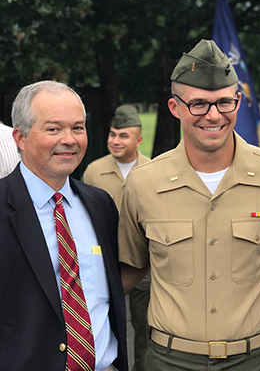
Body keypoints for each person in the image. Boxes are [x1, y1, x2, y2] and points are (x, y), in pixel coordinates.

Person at [118, 39, 260, 371]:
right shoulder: (144, 183)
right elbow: (129, 269)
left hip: (255, 360)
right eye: (199, 104)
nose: (214, 116)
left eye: (224, 103)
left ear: (238, 102)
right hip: (169, 360)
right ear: (174, 107)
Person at [0, 81, 128, 371]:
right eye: (53, 129)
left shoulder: (100, 205)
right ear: (19, 137)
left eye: (78, 128)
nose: (69, 139)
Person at [83, 104, 151, 371]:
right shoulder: (93, 171)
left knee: (145, 327)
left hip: (142, 266)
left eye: (123, 135)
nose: (115, 140)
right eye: (112, 134)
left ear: (138, 140)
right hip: (104, 265)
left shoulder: (152, 172)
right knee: (105, 325)